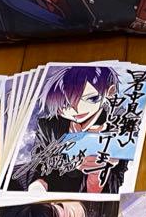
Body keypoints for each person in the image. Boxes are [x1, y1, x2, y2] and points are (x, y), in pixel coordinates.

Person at [12, 65, 127, 195]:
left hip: (93, 191)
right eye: (65, 104)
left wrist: (103, 169)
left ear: (110, 92)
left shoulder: (118, 126)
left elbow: (118, 178)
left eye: (91, 98)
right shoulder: (49, 126)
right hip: (52, 188)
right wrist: (38, 184)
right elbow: (38, 163)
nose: (77, 110)